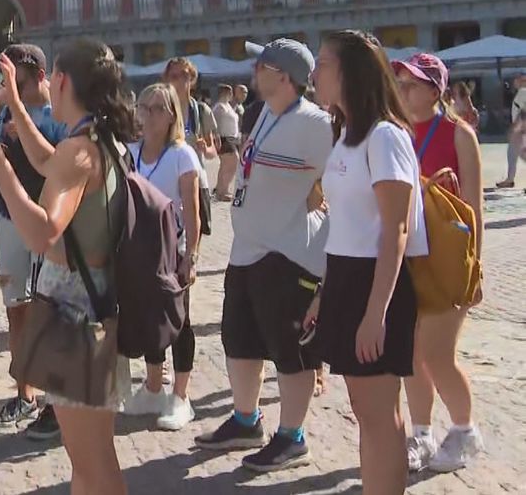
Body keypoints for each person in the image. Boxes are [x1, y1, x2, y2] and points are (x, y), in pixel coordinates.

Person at [0, 37, 133, 495]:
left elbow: (44, 234)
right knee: (91, 460)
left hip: (73, 311)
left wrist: (0, 167)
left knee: (91, 461)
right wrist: (16, 103)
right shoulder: (94, 141)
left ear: (60, 81)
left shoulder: (79, 151)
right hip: (93, 303)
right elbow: (45, 161)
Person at [195, 38, 333, 473]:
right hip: (247, 250)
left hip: (287, 253)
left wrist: (321, 215)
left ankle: (292, 436)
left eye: (264, 63)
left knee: (289, 351)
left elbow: (340, 181)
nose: (254, 68)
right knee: (238, 339)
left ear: (284, 76)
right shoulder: (265, 114)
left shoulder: (314, 122)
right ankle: (245, 419)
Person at [305, 30, 426, 494]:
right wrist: (323, 292)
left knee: (378, 415)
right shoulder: (346, 137)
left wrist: (376, 313)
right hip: (346, 277)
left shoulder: (385, 137)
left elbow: (394, 230)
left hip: (377, 284)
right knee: (367, 412)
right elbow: (347, 225)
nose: (315, 74)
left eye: (323, 63)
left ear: (350, 73)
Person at [392, 54, 485, 473]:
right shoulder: (396, 133)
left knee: (437, 354)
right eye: (401, 83)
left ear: (435, 89)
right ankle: (422, 434)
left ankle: (465, 432)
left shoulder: (458, 134)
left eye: (411, 84)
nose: (403, 90)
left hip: (447, 261)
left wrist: (472, 269)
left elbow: (474, 208)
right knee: (412, 354)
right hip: (408, 259)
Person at [0, 44, 68, 441]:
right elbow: (2, 162)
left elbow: (59, 167)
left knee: (45, 311)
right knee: (15, 309)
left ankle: (54, 400)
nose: (6, 85)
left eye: (11, 76)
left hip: (44, 219)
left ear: (34, 74)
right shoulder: (3, 112)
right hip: (7, 217)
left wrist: (26, 133)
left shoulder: (58, 116)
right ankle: (25, 393)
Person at [121, 83, 203, 431]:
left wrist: (192, 257)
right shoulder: (130, 151)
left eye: (156, 108)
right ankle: (153, 387)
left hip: (174, 249)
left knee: (179, 321)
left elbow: (193, 213)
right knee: (148, 319)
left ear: (171, 115)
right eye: (144, 107)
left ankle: (181, 396)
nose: (148, 115)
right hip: (139, 251)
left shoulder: (182, 155)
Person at [164, 57, 218, 215]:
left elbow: (213, 151)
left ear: (192, 79)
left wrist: (206, 149)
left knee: (196, 231)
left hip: (196, 180)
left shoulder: (201, 111)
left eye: (185, 75)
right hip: (167, 181)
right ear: (167, 80)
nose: (180, 80)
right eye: (174, 76)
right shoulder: (159, 108)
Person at [212, 84, 241, 202]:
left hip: (232, 138)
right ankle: (222, 191)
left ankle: (222, 190)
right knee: (233, 161)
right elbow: (215, 125)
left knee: (225, 166)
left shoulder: (228, 106)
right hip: (224, 138)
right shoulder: (219, 107)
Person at [498, 75, 526, 188]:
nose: (514, 83)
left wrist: (515, 127)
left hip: (521, 130)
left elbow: (523, 112)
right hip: (520, 129)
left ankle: (510, 180)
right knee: (513, 154)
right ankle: (509, 179)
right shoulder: (521, 92)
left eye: (516, 80)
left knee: (516, 154)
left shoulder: (523, 92)